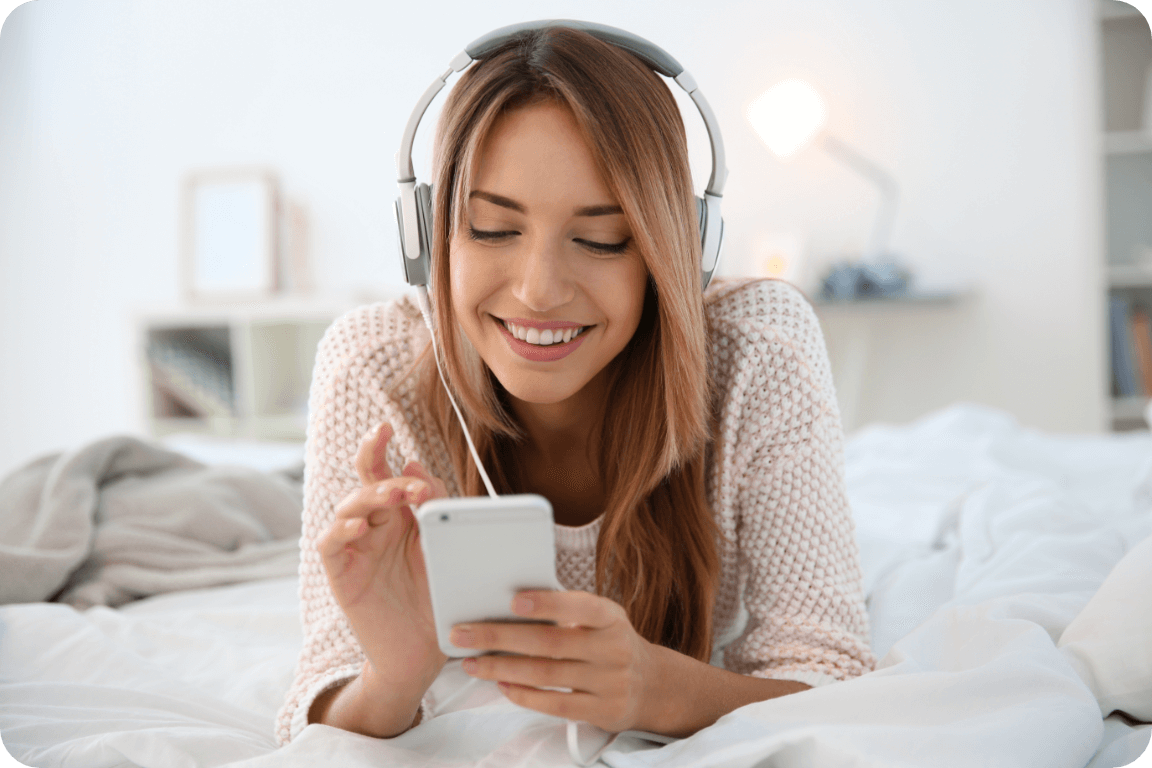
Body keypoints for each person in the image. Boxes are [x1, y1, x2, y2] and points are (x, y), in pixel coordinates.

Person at [275, 24, 876, 746]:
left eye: (600, 239)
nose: (538, 291)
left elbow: (829, 675)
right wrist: (393, 677)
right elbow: (315, 702)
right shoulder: (373, 362)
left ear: (676, 247)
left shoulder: (758, 349)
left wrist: (656, 689)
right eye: (493, 228)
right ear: (428, 235)